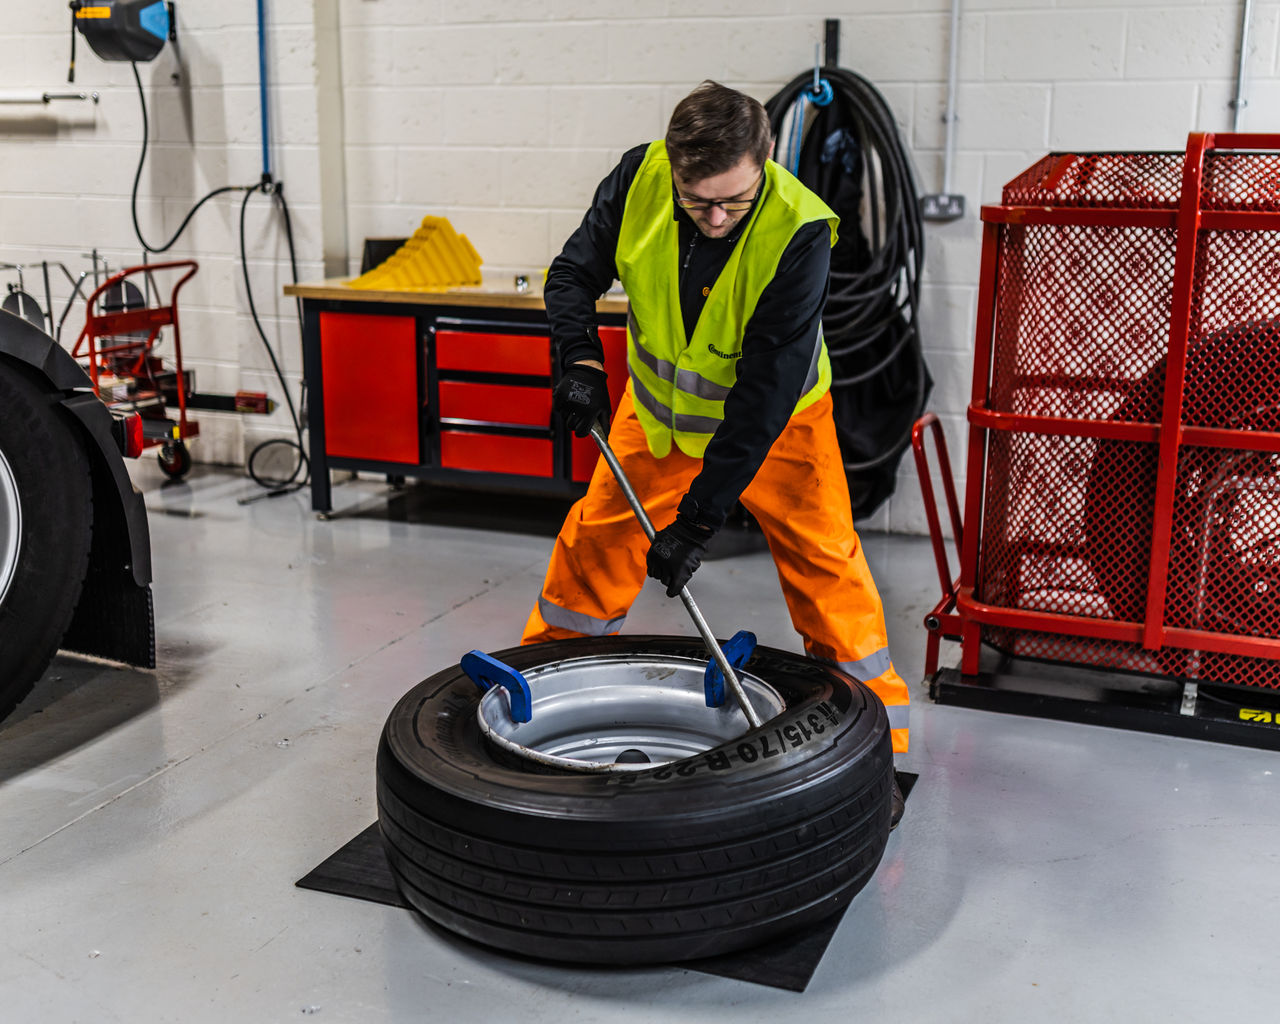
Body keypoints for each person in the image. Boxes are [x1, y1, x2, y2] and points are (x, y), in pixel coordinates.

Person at [521, 81, 909, 815]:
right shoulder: (639, 180)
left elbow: (763, 396)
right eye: (699, 203)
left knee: (829, 573)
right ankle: (538, 694)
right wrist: (578, 363)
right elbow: (573, 274)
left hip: (782, 427)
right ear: (673, 167)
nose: (719, 217)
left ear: (765, 159)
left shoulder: (800, 231)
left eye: (735, 199)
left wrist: (698, 523)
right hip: (659, 418)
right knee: (593, 548)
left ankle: (874, 758)